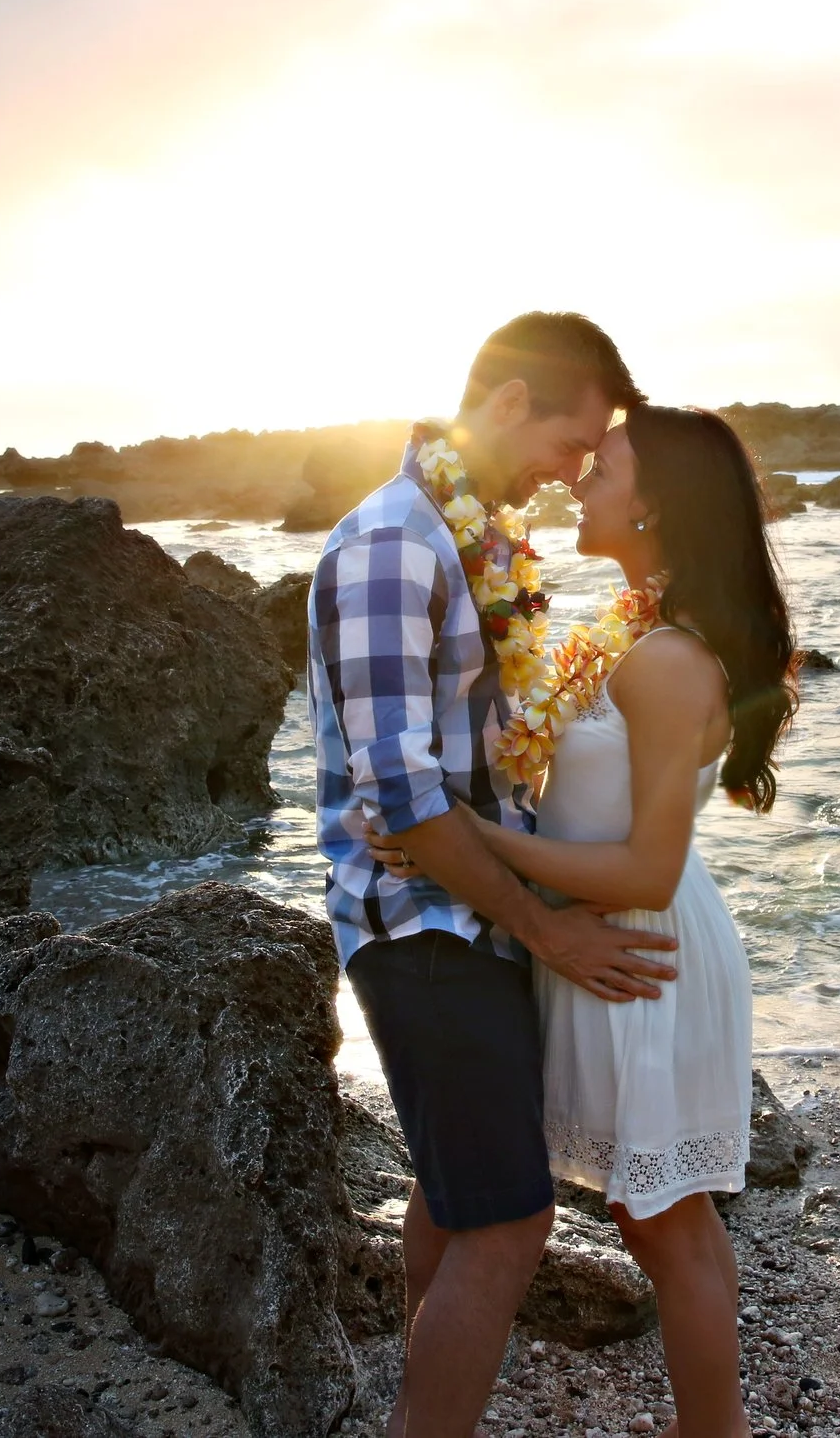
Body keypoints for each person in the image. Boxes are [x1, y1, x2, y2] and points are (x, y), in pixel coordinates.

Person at [372, 404, 798, 1438]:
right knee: (473, 1175)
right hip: (576, 941)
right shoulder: (633, 631)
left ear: (653, 502)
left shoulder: (663, 660)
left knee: (660, 1217)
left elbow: (650, 866)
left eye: (601, 467)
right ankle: (423, 1396)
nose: (578, 480)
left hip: (634, 952)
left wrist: (473, 837)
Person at [309, 311, 678, 1438]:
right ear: (511, 401)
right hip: (422, 923)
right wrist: (547, 923)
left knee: (455, 1191)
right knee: (512, 1224)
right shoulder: (392, 545)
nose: (572, 474)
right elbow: (402, 796)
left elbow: (481, 764)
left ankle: (426, 1397)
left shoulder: (469, 541)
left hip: (476, 916)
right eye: (574, 443)